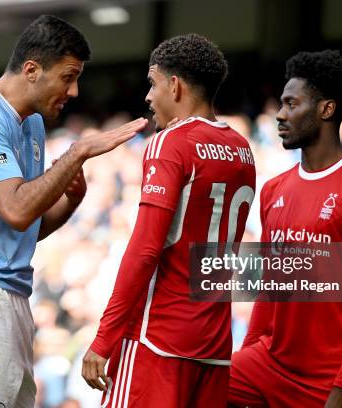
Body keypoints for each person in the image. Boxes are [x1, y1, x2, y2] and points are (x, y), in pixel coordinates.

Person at [0, 15, 147, 407]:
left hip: (7, 293)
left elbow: (25, 225)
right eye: (68, 76)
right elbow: (15, 209)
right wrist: (77, 153)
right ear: (31, 70)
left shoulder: (31, 124)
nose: (75, 90)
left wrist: (72, 199)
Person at [81, 34, 256, 407]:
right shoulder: (242, 149)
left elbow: (145, 249)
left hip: (158, 339)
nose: (148, 96)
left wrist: (104, 338)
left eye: (152, 83)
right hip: (213, 344)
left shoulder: (170, 143)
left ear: (174, 86)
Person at [228, 50, 342, 407]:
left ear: (326, 110)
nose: (279, 114)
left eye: (291, 104)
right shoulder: (274, 190)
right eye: (281, 104)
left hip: (333, 378)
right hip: (271, 365)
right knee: (198, 382)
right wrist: (248, 361)